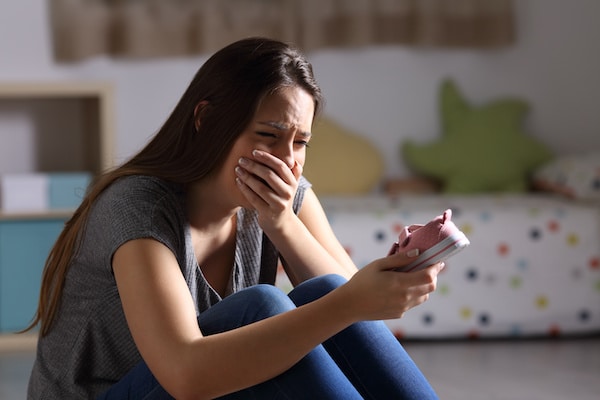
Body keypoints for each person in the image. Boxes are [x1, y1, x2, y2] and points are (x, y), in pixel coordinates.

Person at [25, 37, 443, 399]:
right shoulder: (137, 207)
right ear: (206, 121)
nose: (287, 160)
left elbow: (352, 307)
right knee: (261, 306)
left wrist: (283, 224)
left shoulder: (288, 195)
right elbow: (185, 374)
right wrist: (351, 301)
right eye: (268, 135)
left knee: (328, 291)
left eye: (300, 142)